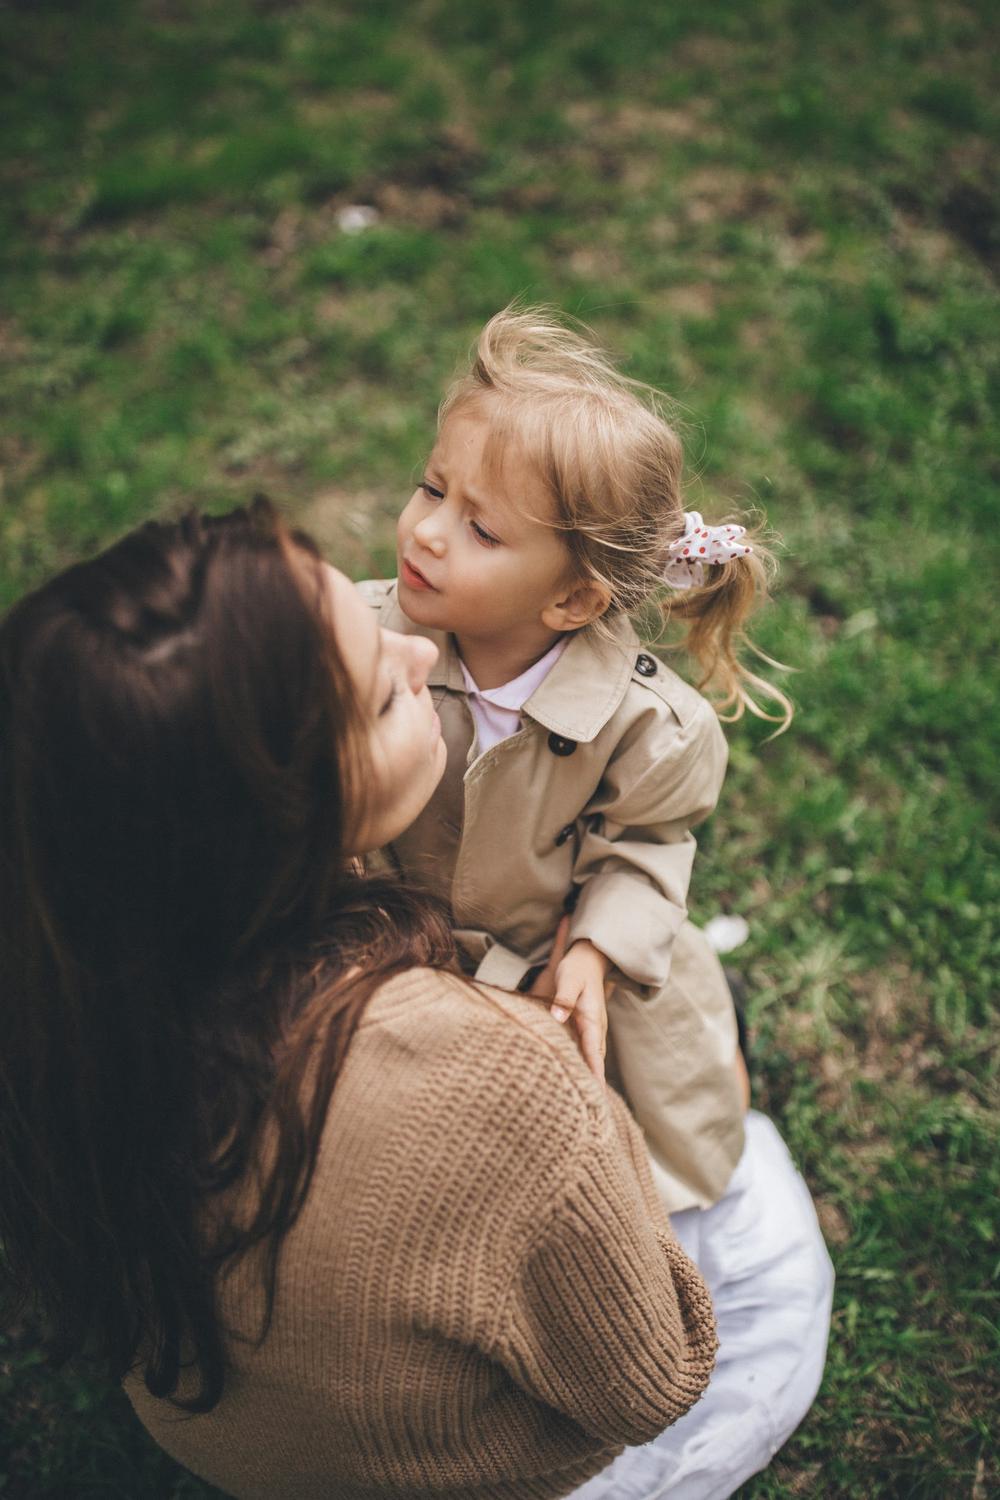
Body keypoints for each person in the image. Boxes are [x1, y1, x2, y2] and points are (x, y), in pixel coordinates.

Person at [0, 500, 831, 1500]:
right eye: (380, 696)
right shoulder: (498, 1077)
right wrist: (592, 1119)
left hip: (214, 1427)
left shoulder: (65, 963)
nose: (413, 653)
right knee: (756, 1209)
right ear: (278, 808)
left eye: (370, 620)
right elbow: (649, 1380)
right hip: (439, 1475)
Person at [359, 305, 790, 1213]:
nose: (428, 532)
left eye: (481, 530)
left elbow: (647, 846)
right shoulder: (367, 648)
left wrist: (596, 949)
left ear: (571, 600)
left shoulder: (645, 727)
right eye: (432, 489)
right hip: (397, 947)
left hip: (552, 961)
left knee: (607, 1151)